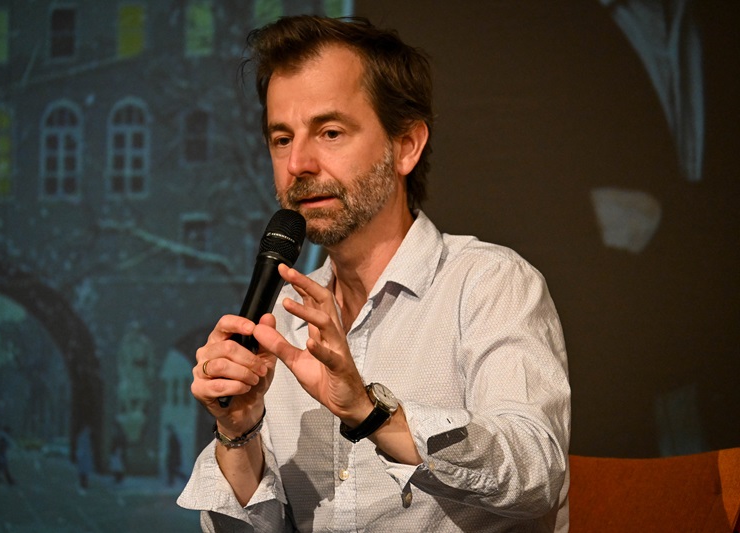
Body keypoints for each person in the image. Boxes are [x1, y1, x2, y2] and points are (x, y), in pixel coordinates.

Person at [178, 15, 570, 532]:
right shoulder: (283, 321)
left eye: (330, 132)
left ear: (405, 146)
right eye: (281, 138)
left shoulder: (488, 284)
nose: (297, 163)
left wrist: (371, 412)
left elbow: (537, 470)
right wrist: (237, 432)